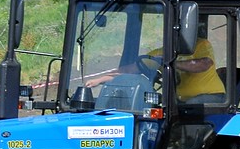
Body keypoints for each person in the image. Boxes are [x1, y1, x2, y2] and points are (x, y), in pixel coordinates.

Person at [87, 38, 225, 102]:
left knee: (185, 109)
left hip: (211, 97)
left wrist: (172, 63)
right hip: (179, 100)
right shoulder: (161, 53)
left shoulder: (201, 45)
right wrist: (99, 80)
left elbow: (203, 64)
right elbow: (131, 70)